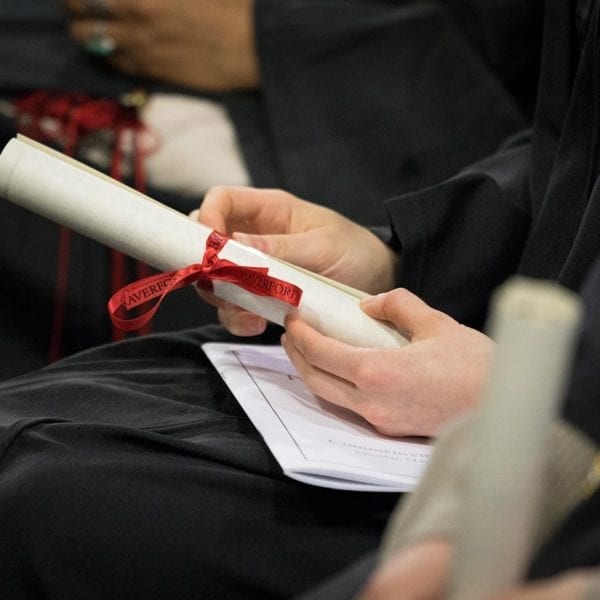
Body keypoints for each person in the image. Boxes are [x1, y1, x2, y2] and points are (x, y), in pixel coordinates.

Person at [0, 0, 595, 597]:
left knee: (53, 496)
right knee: (24, 432)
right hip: (493, 362)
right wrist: (399, 254)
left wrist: (516, 398)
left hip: (548, 451)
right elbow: (573, 147)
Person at [0, 0, 542, 379]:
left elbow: (561, 125)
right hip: (68, 84)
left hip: (374, 132)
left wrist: (274, 36)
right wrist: (390, 250)